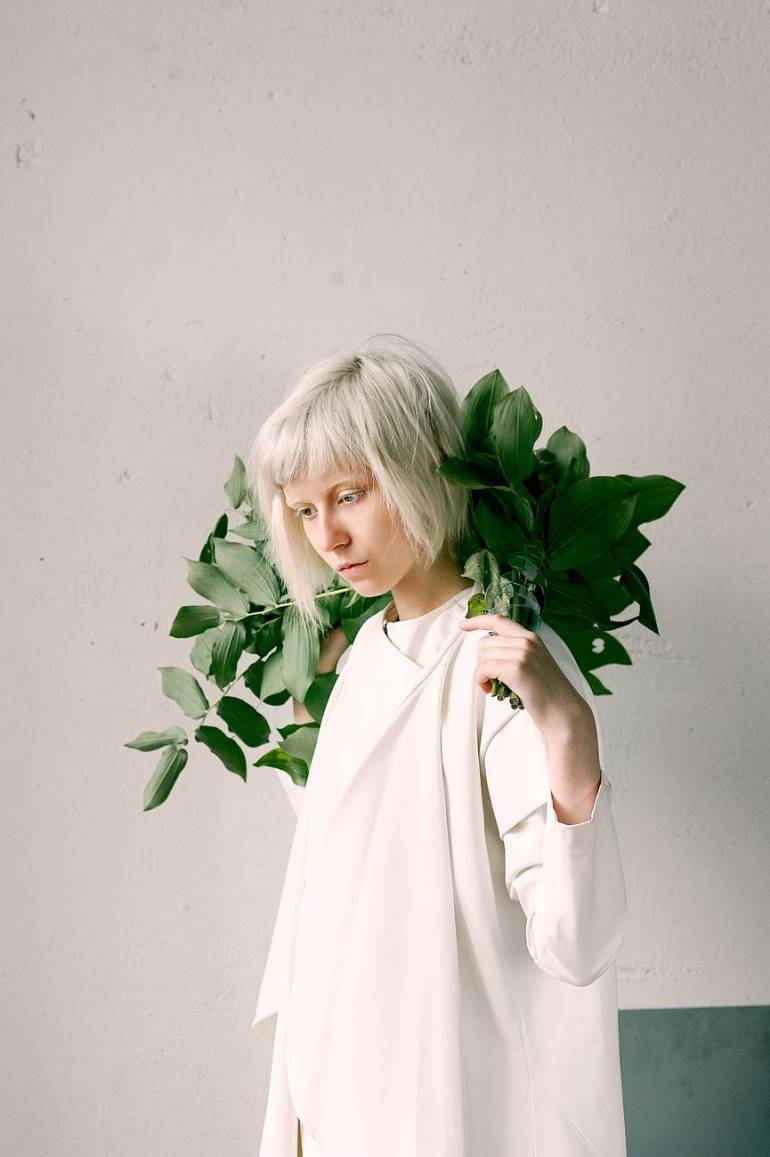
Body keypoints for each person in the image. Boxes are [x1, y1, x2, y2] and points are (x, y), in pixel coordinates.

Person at [246, 333, 629, 1157]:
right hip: (341, 1088)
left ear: (422, 471)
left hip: (448, 1096)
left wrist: (567, 726)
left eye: (350, 495)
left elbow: (576, 938)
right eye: (305, 509)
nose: (329, 537)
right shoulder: (364, 659)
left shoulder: (499, 659)